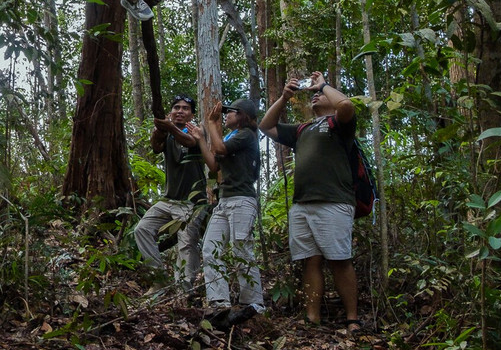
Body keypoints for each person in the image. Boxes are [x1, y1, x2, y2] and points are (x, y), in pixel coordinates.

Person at [259, 72, 360, 332]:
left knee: (339, 259)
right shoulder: (302, 128)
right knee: (310, 261)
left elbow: (347, 105)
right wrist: (284, 97)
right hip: (302, 203)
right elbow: (266, 126)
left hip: (334, 200)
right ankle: (312, 319)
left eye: (320, 94)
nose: (315, 95)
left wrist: (324, 84)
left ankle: (353, 320)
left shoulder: (340, 122)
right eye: (314, 93)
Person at [189, 99, 265, 329]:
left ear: (243, 116)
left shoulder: (247, 135)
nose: (227, 115)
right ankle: (219, 301)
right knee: (210, 248)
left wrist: (212, 122)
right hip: (224, 200)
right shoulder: (233, 137)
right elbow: (214, 164)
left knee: (241, 248)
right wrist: (202, 138)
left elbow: (220, 149)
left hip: (242, 200)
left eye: (232, 112)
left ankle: (254, 304)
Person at [132, 95, 207, 293]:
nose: (180, 111)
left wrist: (169, 127)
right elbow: (156, 147)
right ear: (170, 112)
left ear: (191, 114)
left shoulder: (197, 130)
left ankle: (184, 290)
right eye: (176, 108)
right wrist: (159, 128)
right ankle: (159, 281)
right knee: (142, 230)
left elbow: (190, 143)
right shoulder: (167, 133)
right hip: (169, 200)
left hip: (191, 202)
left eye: (185, 108)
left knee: (186, 243)